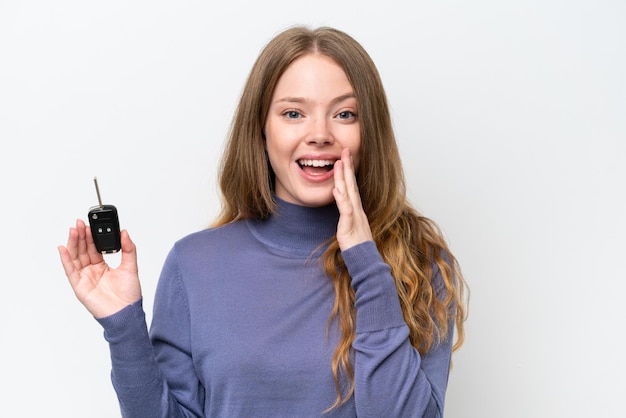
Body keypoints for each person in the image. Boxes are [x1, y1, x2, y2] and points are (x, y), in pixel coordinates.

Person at [58, 25, 468, 418]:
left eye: (344, 114)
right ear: (261, 129)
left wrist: (365, 260)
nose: (320, 134)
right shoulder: (193, 264)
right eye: (293, 113)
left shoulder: (420, 264)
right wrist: (124, 327)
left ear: (369, 132)